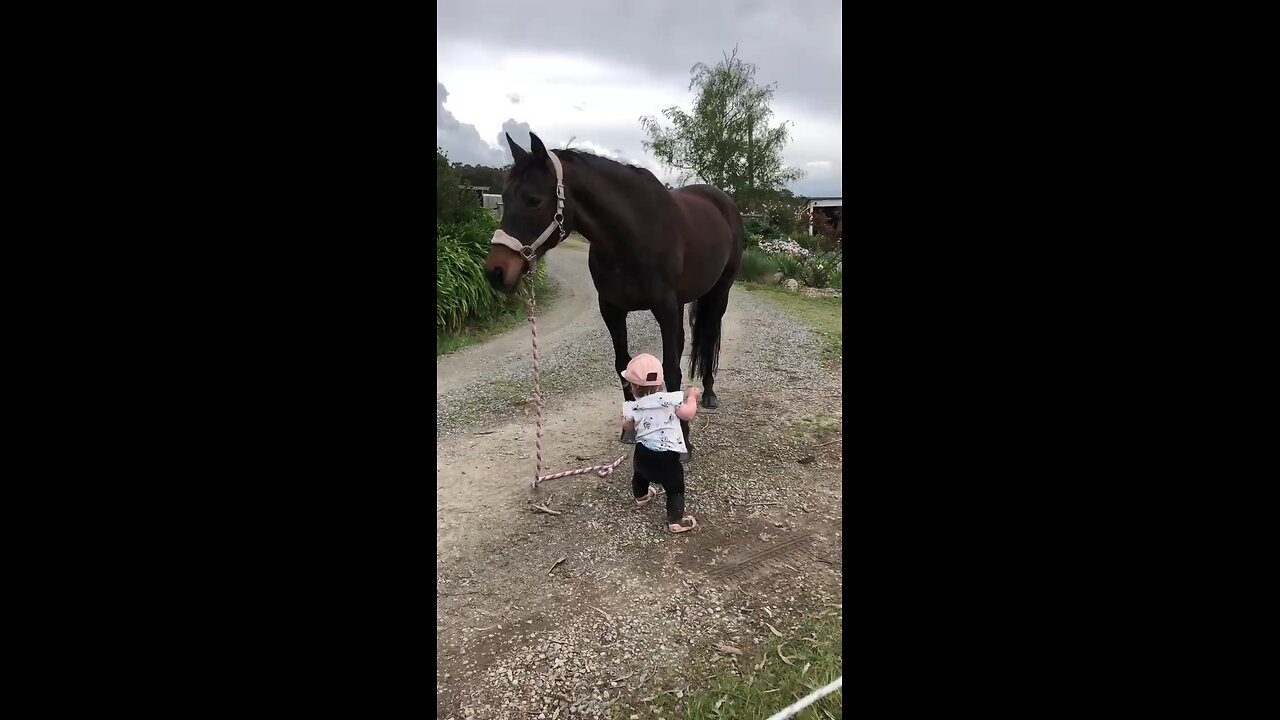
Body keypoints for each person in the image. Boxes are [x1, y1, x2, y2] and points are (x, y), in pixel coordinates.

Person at [619, 354, 700, 533]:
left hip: (643, 453)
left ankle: (641, 496)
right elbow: (687, 414)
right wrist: (692, 398)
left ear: (632, 386)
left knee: (640, 474)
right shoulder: (671, 400)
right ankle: (676, 520)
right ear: (661, 382)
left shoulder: (634, 407)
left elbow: (629, 428)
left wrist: (625, 421)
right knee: (675, 486)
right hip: (667, 457)